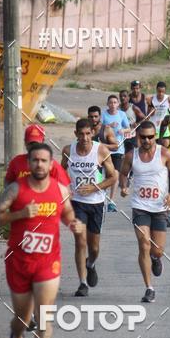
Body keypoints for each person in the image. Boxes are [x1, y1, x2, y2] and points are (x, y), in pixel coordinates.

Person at [0, 142, 82, 338]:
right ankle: (16, 337)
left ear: (51, 164)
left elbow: (67, 213)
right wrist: (20, 214)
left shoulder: (59, 190)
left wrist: (73, 224)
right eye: (34, 160)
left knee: (44, 315)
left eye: (43, 160)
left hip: (47, 262)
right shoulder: (16, 190)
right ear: (28, 163)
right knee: (23, 319)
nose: (39, 164)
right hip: (19, 262)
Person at [119, 121, 170, 303]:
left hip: (160, 207)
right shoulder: (131, 156)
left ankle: (156, 258)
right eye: (143, 137)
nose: (147, 140)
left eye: (150, 137)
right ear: (138, 137)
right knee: (144, 244)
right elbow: (123, 173)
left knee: (157, 250)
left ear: (155, 137)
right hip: (140, 207)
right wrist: (124, 186)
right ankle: (149, 288)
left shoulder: (164, 154)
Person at [61, 118, 115, 297]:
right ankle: (82, 283)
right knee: (80, 241)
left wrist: (94, 187)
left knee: (94, 248)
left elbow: (113, 177)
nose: (84, 138)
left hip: (97, 203)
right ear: (75, 134)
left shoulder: (101, 150)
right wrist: (65, 189)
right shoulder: (68, 151)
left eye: (87, 134)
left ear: (92, 133)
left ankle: (90, 264)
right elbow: (59, 174)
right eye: (81, 134)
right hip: (77, 203)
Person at [4, 124, 69, 187]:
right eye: (31, 143)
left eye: (36, 143)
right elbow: (7, 182)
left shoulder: (52, 164)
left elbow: (65, 187)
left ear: (43, 142)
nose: (34, 147)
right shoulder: (16, 162)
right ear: (25, 143)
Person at [101, 94, 131, 211]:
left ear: (118, 104)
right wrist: (109, 125)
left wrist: (122, 130)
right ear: (108, 104)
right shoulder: (104, 114)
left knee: (115, 174)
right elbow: (99, 127)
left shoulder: (122, 114)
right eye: (111, 102)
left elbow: (128, 128)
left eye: (115, 102)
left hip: (118, 149)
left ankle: (111, 201)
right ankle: (101, 197)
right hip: (105, 148)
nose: (113, 104)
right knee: (106, 174)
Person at [119, 89, 139, 154]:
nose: (122, 98)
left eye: (124, 96)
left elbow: (145, 118)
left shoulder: (133, 108)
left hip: (132, 136)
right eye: (121, 96)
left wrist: (137, 123)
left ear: (128, 97)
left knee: (132, 155)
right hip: (121, 136)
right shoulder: (117, 109)